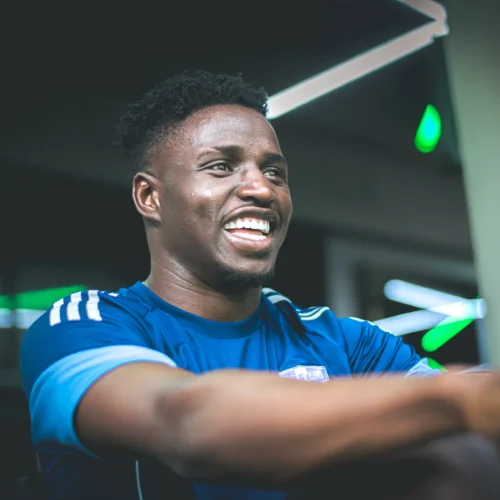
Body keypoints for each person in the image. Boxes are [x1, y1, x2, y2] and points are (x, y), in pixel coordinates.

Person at [20, 70, 500, 500]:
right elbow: (189, 426)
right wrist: (459, 399)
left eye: (274, 172)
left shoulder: (346, 342)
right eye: (221, 166)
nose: (262, 189)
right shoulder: (85, 327)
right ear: (150, 196)